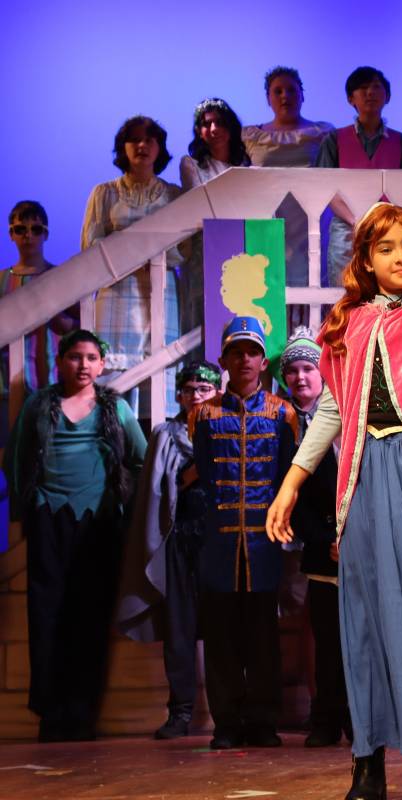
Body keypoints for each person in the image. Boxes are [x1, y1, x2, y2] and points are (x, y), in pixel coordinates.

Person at [266, 107, 402, 800]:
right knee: (364, 618)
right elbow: (335, 408)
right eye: (386, 247)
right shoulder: (349, 326)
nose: (401, 256)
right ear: (364, 260)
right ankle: (366, 761)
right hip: (364, 481)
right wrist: (292, 483)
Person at [4, 330, 146, 742]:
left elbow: (140, 458)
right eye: (74, 356)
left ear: (101, 365)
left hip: (97, 523)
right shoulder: (38, 405)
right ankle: (51, 713)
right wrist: (26, 509)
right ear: (60, 361)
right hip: (48, 518)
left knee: (91, 614)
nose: (82, 365)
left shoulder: (116, 408)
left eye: (90, 358)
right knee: (46, 613)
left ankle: (82, 712)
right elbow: (16, 459)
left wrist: (124, 509)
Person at [191, 317, 298, 750]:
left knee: (262, 637)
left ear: (263, 361)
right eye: (236, 352)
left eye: (252, 351)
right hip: (218, 544)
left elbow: (288, 479)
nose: (244, 359)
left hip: (264, 545)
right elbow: (203, 476)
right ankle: (226, 724)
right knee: (220, 637)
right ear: (223, 360)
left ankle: (263, 722)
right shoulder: (203, 414)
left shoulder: (283, 413)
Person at [114, 360, 218, 738]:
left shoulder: (228, 430)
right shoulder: (165, 434)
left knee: (223, 629)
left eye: (204, 389)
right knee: (179, 628)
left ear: (217, 392)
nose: (196, 396)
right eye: (189, 390)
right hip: (178, 540)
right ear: (179, 395)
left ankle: (228, 713)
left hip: (218, 542)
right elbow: (157, 489)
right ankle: (180, 712)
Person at [81, 116, 183, 418]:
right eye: (134, 139)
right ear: (122, 147)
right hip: (116, 293)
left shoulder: (174, 194)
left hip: (159, 292)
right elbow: (91, 245)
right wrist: (132, 254)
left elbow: (184, 250)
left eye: (149, 139)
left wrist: (150, 253)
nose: (142, 145)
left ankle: (152, 441)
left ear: (159, 147)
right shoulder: (104, 193)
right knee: (112, 378)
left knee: (157, 368)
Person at [279, 327, 351, 747]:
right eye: (293, 370)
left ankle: (364, 720)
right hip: (323, 552)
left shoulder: (360, 426)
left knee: (364, 640)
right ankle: (326, 718)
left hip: (364, 550)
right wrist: (325, 539)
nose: (301, 377)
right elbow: (297, 497)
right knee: (326, 641)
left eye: (310, 369)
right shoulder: (291, 427)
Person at [316, 66, 402, 287]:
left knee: (388, 290)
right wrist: (356, 220)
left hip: (389, 226)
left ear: (387, 96)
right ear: (351, 98)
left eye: (376, 87)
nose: (370, 92)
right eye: (362, 88)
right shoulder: (334, 140)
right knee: (344, 289)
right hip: (346, 225)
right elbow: (327, 189)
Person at [242, 66, 335, 290]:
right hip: (267, 219)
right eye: (278, 91)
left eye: (292, 90)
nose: (285, 96)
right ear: (268, 98)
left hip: (310, 220)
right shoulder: (250, 136)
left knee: (313, 284)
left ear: (302, 95)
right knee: (267, 287)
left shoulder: (322, 132)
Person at [179, 98, 251, 330]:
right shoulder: (191, 164)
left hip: (242, 247)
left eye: (219, 122)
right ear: (198, 132)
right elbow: (201, 205)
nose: (213, 129)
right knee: (206, 320)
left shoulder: (246, 164)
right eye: (206, 124)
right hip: (206, 249)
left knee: (241, 315)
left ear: (230, 126)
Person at [1, 201, 75, 398]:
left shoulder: (61, 277)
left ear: (45, 234)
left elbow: (81, 324)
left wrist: (61, 320)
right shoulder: (2, 280)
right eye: (20, 229)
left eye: (36, 229)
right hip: (7, 385)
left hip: (53, 383)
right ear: (11, 234)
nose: (28, 235)